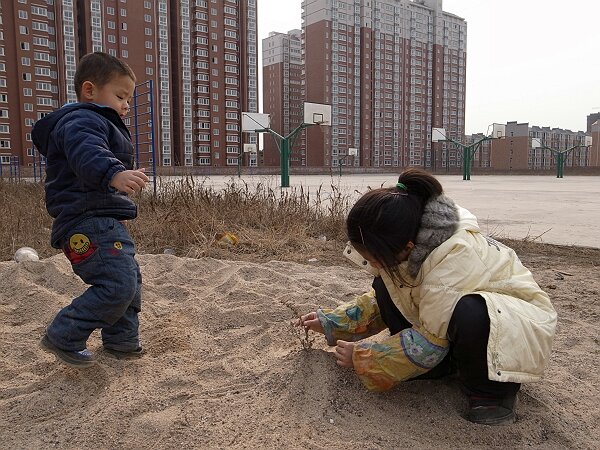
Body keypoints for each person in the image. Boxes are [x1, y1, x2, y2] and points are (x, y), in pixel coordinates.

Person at [297, 168, 557, 425]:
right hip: (450, 326)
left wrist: (366, 358)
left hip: (512, 327)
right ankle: (447, 367)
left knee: (472, 311)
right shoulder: (409, 242)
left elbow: (429, 341)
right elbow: (387, 300)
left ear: (407, 247)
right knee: (386, 283)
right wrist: (333, 323)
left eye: (372, 257)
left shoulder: (452, 257)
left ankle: (492, 395)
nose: (371, 263)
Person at [32, 52, 149, 368]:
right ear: (89, 90)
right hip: (85, 221)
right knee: (117, 283)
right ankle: (63, 335)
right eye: (120, 95)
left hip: (102, 218)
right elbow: (88, 153)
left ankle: (121, 342)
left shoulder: (96, 121)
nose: (126, 105)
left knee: (129, 279)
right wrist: (114, 173)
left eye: (128, 98)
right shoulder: (82, 120)